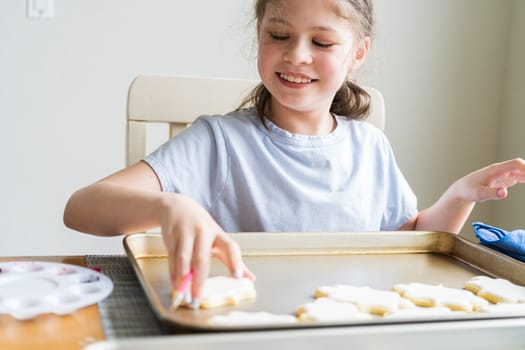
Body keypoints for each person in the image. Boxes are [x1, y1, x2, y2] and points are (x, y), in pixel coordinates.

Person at [63, 0, 525, 309]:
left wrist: (461, 194)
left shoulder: (369, 147)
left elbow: (413, 240)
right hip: (244, 326)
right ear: (258, 36)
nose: (296, 55)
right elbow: (81, 208)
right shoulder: (219, 143)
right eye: (278, 35)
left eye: (321, 43)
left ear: (357, 54)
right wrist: (170, 204)